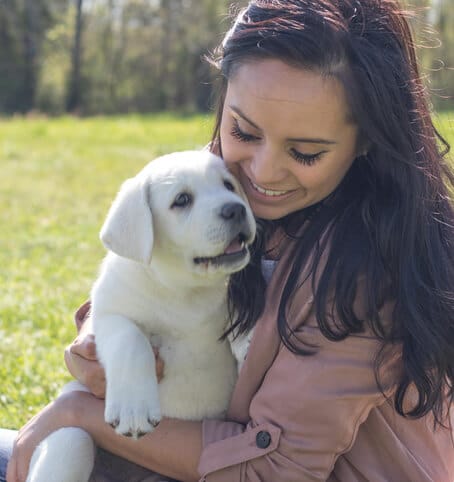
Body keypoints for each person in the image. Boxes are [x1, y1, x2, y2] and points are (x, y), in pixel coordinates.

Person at [2, 0, 454, 480]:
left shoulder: (368, 266)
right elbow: (142, 274)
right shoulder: (230, 184)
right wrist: (105, 342)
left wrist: (78, 413)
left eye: (304, 153)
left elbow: (274, 468)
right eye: (243, 130)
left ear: (367, 140)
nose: (260, 173)